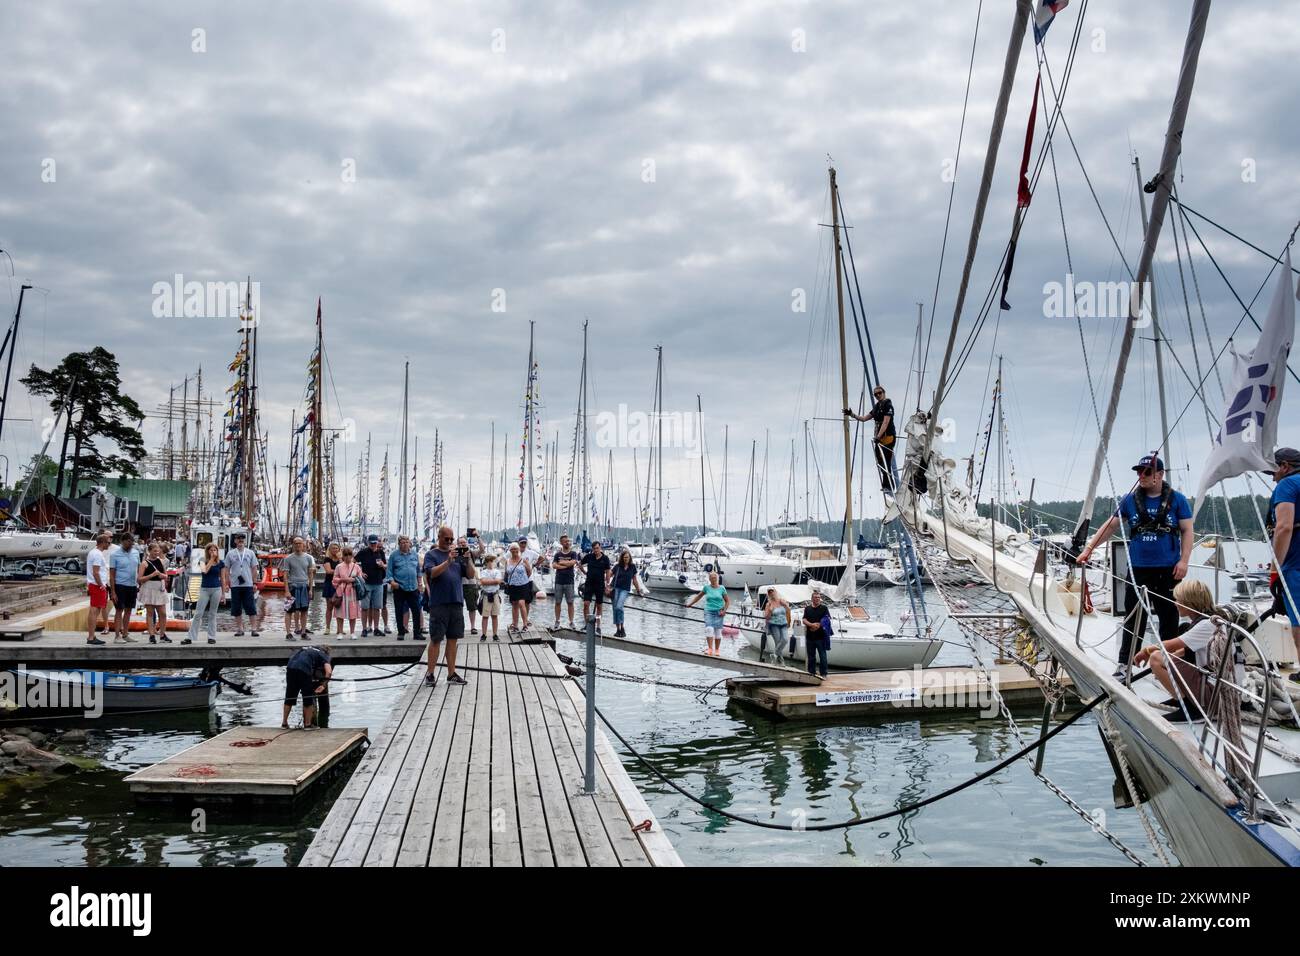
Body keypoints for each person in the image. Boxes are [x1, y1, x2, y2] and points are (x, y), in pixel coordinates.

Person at [1077, 454, 1193, 677]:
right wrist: (1089, 549)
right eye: (1139, 472)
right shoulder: (1130, 500)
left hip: (1168, 570)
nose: (1141, 476)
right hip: (1139, 569)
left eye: (1147, 472)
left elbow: (1187, 530)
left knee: (1169, 618)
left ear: (1159, 475)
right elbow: (1110, 527)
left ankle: (1166, 665)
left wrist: (1184, 560)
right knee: (1133, 617)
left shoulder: (1177, 500)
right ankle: (1125, 665)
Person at [1133, 579, 1219, 709]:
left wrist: (1145, 652)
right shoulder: (1212, 620)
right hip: (1217, 690)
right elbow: (1186, 652)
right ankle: (1182, 698)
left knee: (1156, 658)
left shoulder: (1206, 626)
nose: (1175, 603)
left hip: (1215, 696)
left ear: (1189, 603)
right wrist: (1166, 666)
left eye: (1178, 600)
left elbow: (1171, 645)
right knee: (1165, 659)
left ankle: (1189, 707)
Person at [1265, 446, 1300, 682]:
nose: (1272, 475)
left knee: (1298, 618)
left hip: (1295, 564)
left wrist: (1275, 568)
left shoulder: (1287, 485)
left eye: (1272, 470)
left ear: (1284, 466)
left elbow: (1284, 526)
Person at [423, 525, 474, 687]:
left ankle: (451, 673)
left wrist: (468, 558)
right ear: (439, 537)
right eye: (447, 539)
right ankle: (430, 673)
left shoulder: (458, 554)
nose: (450, 541)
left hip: (456, 602)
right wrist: (448, 561)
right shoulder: (431, 554)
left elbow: (471, 575)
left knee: (453, 640)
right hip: (439, 603)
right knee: (436, 639)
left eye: (452, 539)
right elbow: (432, 573)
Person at [847, 384, 896, 493]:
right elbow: (864, 418)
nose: (878, 395)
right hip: (879, 439)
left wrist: (878, 436)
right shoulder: (877, 407)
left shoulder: (888, 405)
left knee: (886, 462)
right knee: (880, 462)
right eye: (875, 394)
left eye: (879, 393)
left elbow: (886, 422)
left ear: (884, 393)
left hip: (888, 437)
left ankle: (888, 486)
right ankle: (888, 485)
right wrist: (852, 414)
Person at [184, 543, 227, 645]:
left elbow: (223, 578)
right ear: (207, 551)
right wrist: (212, 560)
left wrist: (224, 594)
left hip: (216, 589)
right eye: (211, 550)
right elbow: (205, 571)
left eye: (214, 550)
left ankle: (211, 637)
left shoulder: (221, 563)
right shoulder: (203, 561)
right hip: (204, 589)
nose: (213, 552)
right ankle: (190, 636)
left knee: (213, 614)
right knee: (199, 613)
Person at [282, 644, 332, 729]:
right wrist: (323, 685)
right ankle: (308, 725)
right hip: (304, 669)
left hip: (290, 667)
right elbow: (329, 672)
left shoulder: (306, 648)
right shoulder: (323, 654)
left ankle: (284, 723)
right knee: (308, 697)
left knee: (289, 697)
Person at [386, 534, 424, 641]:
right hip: (399, 587)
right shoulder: (394, 556)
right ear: (399, 544)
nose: (405, 544)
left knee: (416, 610)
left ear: (409, 543)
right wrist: (392, 582)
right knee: (399, 610)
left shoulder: (414, 555)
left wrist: (420, 584)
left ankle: (417, 633)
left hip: (413, 587)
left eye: (406, 542)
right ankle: (401, 632)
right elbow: (389, 572)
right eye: (402, 542)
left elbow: (418, 571)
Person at [224, 532, 261, 637]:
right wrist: (227, 583)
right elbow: (226, 569)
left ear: (245, 541)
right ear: (235, 541)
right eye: (238, 539)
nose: (240, 540)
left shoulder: (250, 553)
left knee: (251, 607)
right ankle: (240, 629)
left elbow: (254, 568)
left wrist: (254, 583)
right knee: (236, 608)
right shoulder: (230, 554)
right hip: (235, 585)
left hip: (248, 584)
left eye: (242, 539)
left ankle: (254, 629)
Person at [685, 570, 729, 656]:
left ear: (717, 578)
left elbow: (727, 601)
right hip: (708, 611)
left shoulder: (722, 588)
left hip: (719, 612)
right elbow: (698, 596)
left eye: (714, 578)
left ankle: (717, 650)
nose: (713, 579)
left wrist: (724, 611)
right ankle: (710, 649)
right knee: (709, 629)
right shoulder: (706, 588)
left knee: (718, 632)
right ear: (709, 579)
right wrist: (690, 604)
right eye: (711, 578)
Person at [108, 533, 142, 643]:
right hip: (119, 585)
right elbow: (112, 574)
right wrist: (113, 591)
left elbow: (138, 569)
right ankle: (117, 636)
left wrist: (139, 583)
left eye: (132, 543)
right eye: (129, 542)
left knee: (128, 610)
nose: (131, 545)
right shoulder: (114, 555)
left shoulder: (136, 553)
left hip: (132, 586)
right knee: (119, 610)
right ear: (123, 541)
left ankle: (125, 634)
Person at [283, 536, 316, 640]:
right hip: (293, 587)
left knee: (304, 611)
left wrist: (310, 589)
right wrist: (287, 590)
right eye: (296, 543)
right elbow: (285, 575)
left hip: (304, 587)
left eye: (300, 543)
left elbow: (310, 574)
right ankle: (288, 633)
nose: (298, 545)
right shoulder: (288, 559)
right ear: (293, 545)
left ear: (303, 545)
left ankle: (303, 632)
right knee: (289, 611)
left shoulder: (308, 558)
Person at [138, 542, 171, 645]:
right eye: (154, 551)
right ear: (149, 551)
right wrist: (152, 575)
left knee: (163, 613)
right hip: (149, 588)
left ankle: (162, 634)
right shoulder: (144, 563)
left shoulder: (161, 561)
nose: (156, 553)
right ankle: (151, 635)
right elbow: (139, 579)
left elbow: (166, 575)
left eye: (158, 551)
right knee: (150, 613)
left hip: (159, 588)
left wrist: (162, 575)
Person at [357, 535, 388, 637]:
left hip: (379, 583)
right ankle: (364, 629)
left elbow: (385, 565)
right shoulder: (363, 552)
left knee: (377, 607)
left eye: (375, 543)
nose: (373, 545)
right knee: (365, 607)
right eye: (371, 543)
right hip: (366, 583)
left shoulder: (381, 552)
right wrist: (360, 572)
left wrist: (382, 565)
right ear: (368, 543)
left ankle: (376, 628)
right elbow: (353, 562)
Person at [609, 548, 644, 638]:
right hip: (615, 588)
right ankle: (618, 629)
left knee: (619, 607)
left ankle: (622, 627)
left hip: (625, 589)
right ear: (622, 558)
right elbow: (610, 574)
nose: (626, 559)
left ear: (630, 558)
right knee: (615, 609)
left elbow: (634, 580)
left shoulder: (632, 567)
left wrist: (639, 590)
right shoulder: (617, 566)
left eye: (627, 557)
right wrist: (606, 584)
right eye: (624, 557)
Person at [85, 533, 111, 646]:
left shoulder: (94, 552)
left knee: (95, 610)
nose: (109, 545)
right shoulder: (97, 555)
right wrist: (101, 585)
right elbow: (96, 572)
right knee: (94, 611)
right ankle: (91, 637)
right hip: (97, 585)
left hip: (95, 584)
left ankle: (92, 635)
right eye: (108, 542)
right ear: (103, 542)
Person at [579, 540, 612, 630]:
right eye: (594, 549)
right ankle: (587, 624)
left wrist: (608, 584)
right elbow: (579, 563)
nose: (596, 550)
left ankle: (598, 626)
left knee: (599, 606)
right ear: (592, 549)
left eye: (597, 548)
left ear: (600, 548)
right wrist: (585, 572)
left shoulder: (605, 558)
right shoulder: (589, 556)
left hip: (600, 584)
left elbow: (608, 571)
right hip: (589, 583)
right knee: (586, 604)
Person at [332, 546, 363, 637]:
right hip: (341, 591)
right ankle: (340, 632)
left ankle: (352, 632)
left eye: (350, 555)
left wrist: (352, 580)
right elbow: (334, 579)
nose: (348, 557)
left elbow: (360, 579)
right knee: (340, 612)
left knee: (353, 613)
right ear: (343, 556)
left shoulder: (356, 566)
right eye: (346, 555)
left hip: (353, 592)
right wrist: (343, 579)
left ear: (352, 556)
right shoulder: (339, 566)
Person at [551, 534, 580, 629]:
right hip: (559, 581)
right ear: (561, 543)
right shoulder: (557, 554)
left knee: (570, 602)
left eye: (568, 541)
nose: (568, 542)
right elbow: (554, 565)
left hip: (569, 581)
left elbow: (573, 562)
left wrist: (562, 563)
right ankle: (557, 621)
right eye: (566, 541)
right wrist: (566, 565)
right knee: (558, 602)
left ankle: (571, 622)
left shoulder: (573, 553)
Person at [503, 543, 533, 635]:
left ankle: (525, 624)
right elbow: (506, 573)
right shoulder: (507, 561)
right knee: (514, 604)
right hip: (512, 585)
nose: (514, 551)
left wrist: (523, 579)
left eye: (516, 549)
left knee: (521, 603)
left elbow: (529, 572)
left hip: (523, 584)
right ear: (510, 551)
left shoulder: (524, 560)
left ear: (519, 550)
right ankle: (515, 625)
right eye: (512, 549)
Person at [802, 589, 832, 677]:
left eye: (819, 597)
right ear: (812, 599)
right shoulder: (807, 609)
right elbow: (804, 619)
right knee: (811, 657)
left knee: (823, 656)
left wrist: (817, 626)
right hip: (810, 637)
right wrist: (811, 625)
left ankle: (824, 673)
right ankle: (812, 672)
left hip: (821, 637)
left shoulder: (824, 608)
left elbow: (827, 619)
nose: (817, 599)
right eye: (815, 597)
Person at [458, 536, 482, 636]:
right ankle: (460, 627)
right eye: (460, 543)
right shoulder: (455, 554)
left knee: (472, 607)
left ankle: (472, 627)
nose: (462, 544)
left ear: (467, 543)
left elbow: (482, 550)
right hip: (458, 583)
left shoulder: (471, 553)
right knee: (458, 607)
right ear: (457, 544)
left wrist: (478, 537)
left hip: (471, 583)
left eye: (464, 542)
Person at [477, 553, 504, 641]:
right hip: (486, 595)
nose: (491, 563)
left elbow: (498, 581)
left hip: (495, 595)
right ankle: (484, 634)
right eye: (489, 561)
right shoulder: (483, 571)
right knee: (485, 616)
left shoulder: (497, 571)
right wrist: (493, 581)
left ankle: (495, 634)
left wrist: (486, 581)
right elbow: (483, 581)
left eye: (492, 561)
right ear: (486, 562)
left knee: (495, 616)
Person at [762, 586, 791, 662]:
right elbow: (767, 617)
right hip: (774, 625)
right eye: (770, 592)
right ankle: (781, 661)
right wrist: (771, 611)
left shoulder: (782, 601)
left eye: (772, 591)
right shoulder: (768, 604)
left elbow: (788, 610)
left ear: (776, 592)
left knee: (785, 640)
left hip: (783, 624)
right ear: (768, 594)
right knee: (778, 642)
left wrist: (785, 605)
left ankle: (774, 655)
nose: (772, 593)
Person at [320, 541, 342, 631]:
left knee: (339, 607)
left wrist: (340, 560)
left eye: (337, 548)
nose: (335, 550)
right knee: (329, 607)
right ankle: (327, 628)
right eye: (333, 548)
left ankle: (339, 629)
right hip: (330, 583)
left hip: (339, 584)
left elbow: (345, 568)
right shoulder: (327, 559)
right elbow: (328, 571)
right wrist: (339, 571)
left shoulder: (341, 560)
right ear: (330, 549)